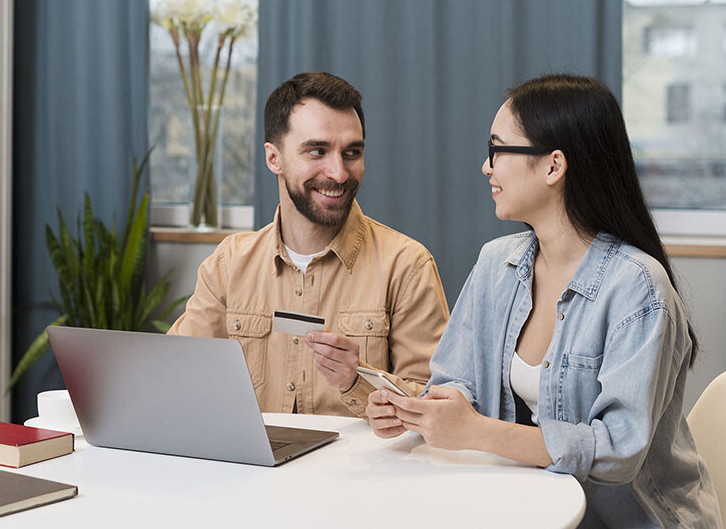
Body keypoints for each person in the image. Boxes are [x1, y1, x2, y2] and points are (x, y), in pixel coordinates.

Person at [366, 74, 720, 527]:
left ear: (553, 167)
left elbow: (617, 449)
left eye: (498, 150)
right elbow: (456, 379)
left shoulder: (638, 288)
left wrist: (476, 431)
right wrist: (418, 410)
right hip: (526, 508)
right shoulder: (496, 264)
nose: (486, 166)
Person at [170, 72, 449, 417]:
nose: (339, 172)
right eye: (317, 150)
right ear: (274, 159)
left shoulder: (407, 266)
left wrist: (355, 382)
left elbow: (433, 402)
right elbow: (176, 375)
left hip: (362, 472)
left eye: (352, 152)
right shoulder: (228, 264)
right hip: (252, 469)